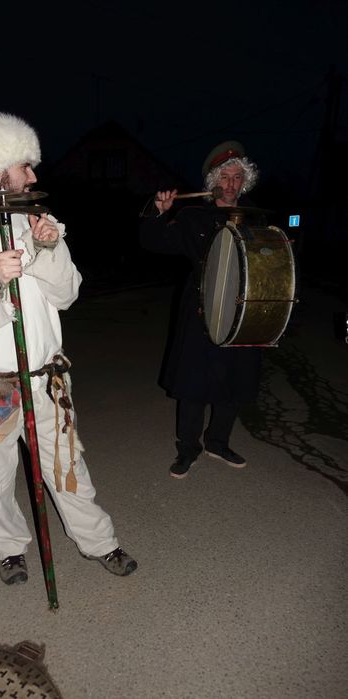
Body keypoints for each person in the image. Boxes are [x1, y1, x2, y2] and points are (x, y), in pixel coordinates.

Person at [0, 112, 137, 584]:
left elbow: (68, 294)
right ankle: (8, 548)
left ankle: (100, 542)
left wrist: (49, 250)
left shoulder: (35, 221)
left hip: (45, 380)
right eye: (25, 166)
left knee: (67, 467)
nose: (34, 177)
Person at [139, 140, 261, 479]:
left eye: (237, 177)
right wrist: (158, 213)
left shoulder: (257, 217)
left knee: (234, 379)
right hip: (201, 311)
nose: (231, 185)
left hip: (243, 312)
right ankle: (188, 448)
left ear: (245, 181)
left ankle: (218, 443)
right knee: (194, 381)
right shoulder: (193, 216)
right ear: (213, 182)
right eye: (225, 177)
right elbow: (153, 242)